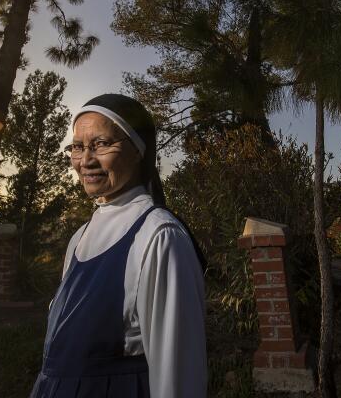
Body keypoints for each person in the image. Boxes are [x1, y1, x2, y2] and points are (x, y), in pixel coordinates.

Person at [29, 93, 208, 398]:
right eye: (77, 147)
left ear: (138, 149)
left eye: (101, 144)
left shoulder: (159, 236)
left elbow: (178, 379)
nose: (85, 160)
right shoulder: (79, 238)